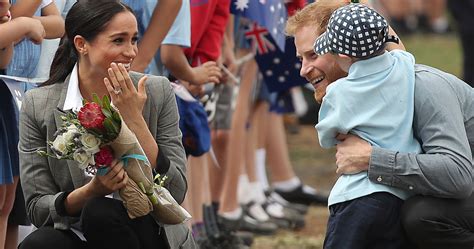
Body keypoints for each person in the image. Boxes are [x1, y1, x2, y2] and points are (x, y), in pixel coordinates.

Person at [286, 0, 474, 248]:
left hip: (462, 182)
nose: (303, 70)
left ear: (342, 50)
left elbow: (458, 176)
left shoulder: (424, 86)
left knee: (422, 214)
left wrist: (373, 159)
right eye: (300, 58)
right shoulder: (379, 85)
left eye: (313, 55)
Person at [17, 1, 195, 249]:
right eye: (118, 40)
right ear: (81, 44)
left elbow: (176, 190)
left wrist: (134, 120)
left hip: (147, 229)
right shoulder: (38, 105)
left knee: (101, 213)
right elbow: (37, 208)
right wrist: (91, 191)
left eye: (134, 39)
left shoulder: (156, 90)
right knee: (39, 243)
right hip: (79, 229)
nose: (132, 52)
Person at [311, 3, 418, 248]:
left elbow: (326, 136)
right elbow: (397, 46)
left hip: (358, 197)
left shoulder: (339, 92)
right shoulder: (403, 67)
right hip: (401, 196)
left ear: (344, 57)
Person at [0, 2, 45, 249]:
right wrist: (24, 25)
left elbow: (4, 57)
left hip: (5, 98)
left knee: (5, 203)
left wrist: (8, 24)